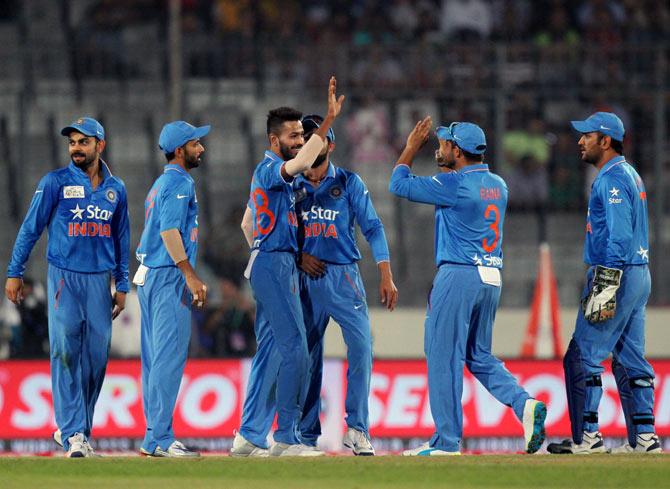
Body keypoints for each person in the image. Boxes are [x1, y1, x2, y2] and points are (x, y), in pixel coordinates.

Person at [231, 113, 398, 457]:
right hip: (301, 278)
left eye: (313, 138)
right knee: (305, 356)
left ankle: (357, 428)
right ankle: (301, 434)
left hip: (342, 276)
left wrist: (385, 271)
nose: (305, 143)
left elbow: (374, 228)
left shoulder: (349, 182)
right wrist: (290, 255)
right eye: (300, 137)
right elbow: (251, 221)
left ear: (329, 145)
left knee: (361, 347)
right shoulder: (290, 181)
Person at [389, 117, 546, 456]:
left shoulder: (454, 185)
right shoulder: (499, 185)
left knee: (443, 356)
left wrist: (411, 147)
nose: (439, 148)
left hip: (458, 275)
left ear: (457, 151)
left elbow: (397, 184)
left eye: (444, 144)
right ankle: (524, 405)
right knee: (479, 355)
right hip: (491, 277)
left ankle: (446, 442)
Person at [5, 117, 130, 457]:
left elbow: (121, 238)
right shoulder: (55, 182)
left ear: (99, 146)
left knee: (95, 360)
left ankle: (79, 433)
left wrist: (122, 283)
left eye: (83, 142)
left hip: (99, 281)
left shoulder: (115, 189)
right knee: (65, 353)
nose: (76, 148)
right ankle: (73, 431)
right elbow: (31, 229)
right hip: (64, 278)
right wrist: (14, 271)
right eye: (72, 142)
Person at [233, 77, 344, 457]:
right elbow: (300, 163)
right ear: (273, 141)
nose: (299, 140)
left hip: (273, 261)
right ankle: (286, 439)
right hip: (275, 263)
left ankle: (248, 435)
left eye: (302, 134)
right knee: (297, 348)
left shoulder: (271, 176)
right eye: (293, 135)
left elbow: (247, 223)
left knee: (270, 351)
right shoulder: (270, 169)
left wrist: (263, 252)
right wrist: (327, 122)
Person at [547, 112, 661, 454]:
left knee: (582, 356)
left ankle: (588, 438)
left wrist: (607, 280)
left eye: (587, 136)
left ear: (605, 141)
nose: (580, 141)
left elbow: (618, 233)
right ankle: (645, 438)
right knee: (630, 358)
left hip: (617, 273)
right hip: (639, 273)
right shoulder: (632, 174)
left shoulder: (609, 179)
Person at [135, 121, 209, 458]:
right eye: (196, 143)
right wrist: (190, 275)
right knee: (167, 358)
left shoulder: (160, 183)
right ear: (180, 150)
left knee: (154, 361)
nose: (201, 148)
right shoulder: (180, 181)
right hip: (168, 277)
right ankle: (161, 439)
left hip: (151, 276)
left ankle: (155, 437)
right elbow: (169, 232)